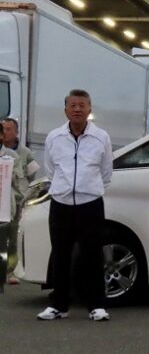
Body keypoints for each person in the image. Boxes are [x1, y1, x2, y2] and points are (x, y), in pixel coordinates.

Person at [37, 89, 113, 321]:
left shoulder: (101, 137)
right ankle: (58, 305)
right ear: (66, 110)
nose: (77, 109)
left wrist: (87, 188)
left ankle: (96, 305)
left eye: (82, 105)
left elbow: (106, 173)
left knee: (93, 255)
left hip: (90, 203)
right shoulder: (54, 137)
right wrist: (64, 188)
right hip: (61, 203)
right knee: (60, 254)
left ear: (89, 109)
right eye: (73, 105)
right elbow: (51, 169)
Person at [2, 117, 40, 284]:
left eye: (9, 129)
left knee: (13, 238)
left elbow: (32, 176)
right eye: (3, 129)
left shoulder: (26, 153)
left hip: (17, 202)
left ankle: (11, 271)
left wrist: (24, 194)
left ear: (16, 132)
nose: (5, 132)